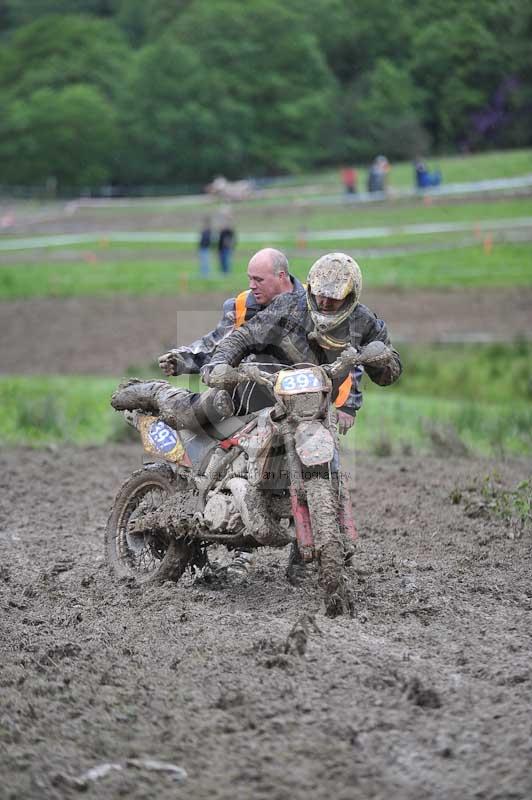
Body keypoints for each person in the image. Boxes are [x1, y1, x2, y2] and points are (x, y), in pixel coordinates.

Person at [158, 247, 362, 429]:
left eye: (259, 280)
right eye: (250, 278)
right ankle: (159, 400)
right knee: (196, 422)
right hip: (250, 397)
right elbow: (218, 346)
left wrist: (348, 405)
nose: (252, 285)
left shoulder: (317, 301)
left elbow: (348, 354)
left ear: (281, 276)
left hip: (307, 401)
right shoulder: (241, 305)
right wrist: (181, 361)